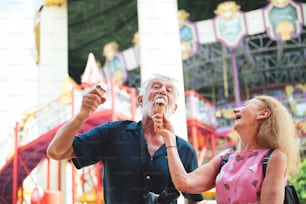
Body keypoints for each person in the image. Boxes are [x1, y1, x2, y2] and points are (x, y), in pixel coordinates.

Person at [47, 74, 203, 204]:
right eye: (156, 87)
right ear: (140, 100)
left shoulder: (185, 151)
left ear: (173, 108)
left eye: (169, 90)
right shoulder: (113, 132)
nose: (162, 91)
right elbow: (56, 152)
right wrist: (82, 116)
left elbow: (194, 199)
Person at [153, 95, 301, 203]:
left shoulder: (274, 158)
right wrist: (169, 138)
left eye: (245, 105)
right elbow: (183, 183)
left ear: (263, 113)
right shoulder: (225, 158)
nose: (236, 110)